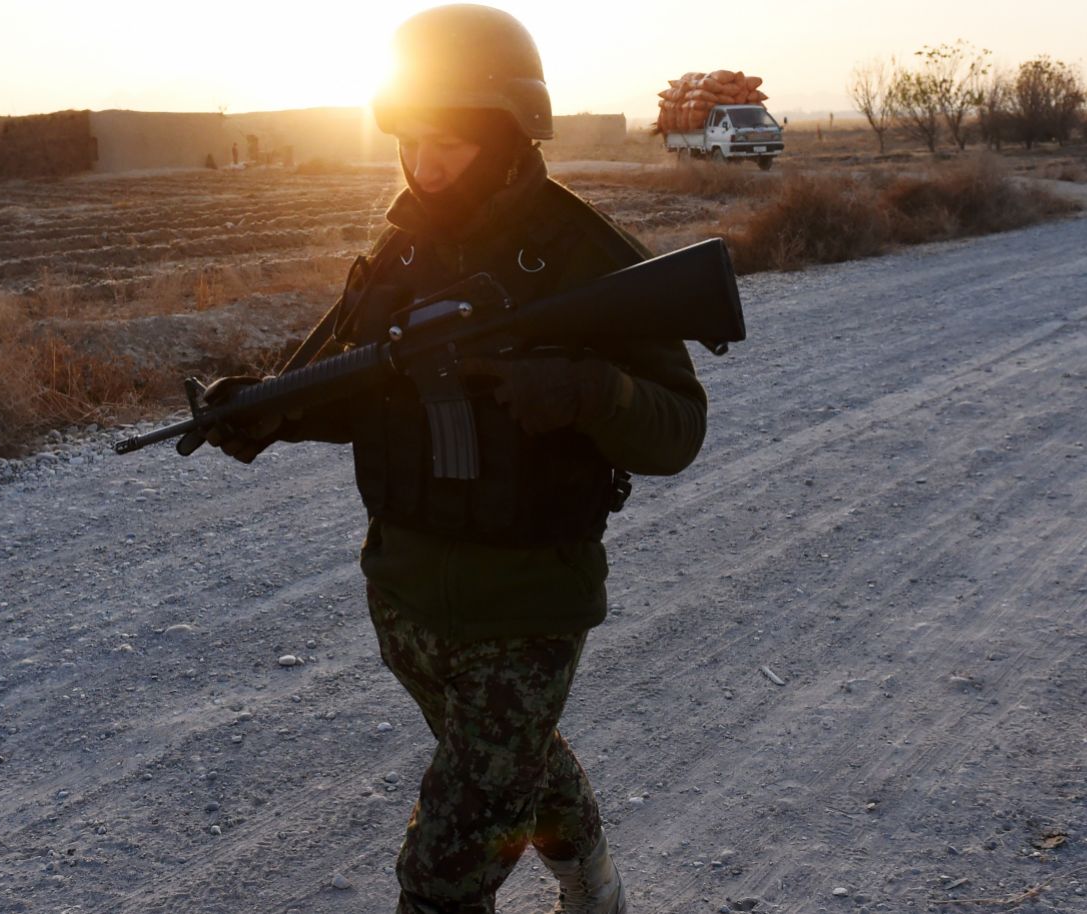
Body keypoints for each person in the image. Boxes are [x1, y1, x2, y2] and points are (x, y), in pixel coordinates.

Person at [203, 6, 708, 912]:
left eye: (451, 143)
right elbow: (362, 398)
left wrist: (591, 393)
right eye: (411, 140)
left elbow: (679, 428)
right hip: (404, 599)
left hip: (526, 607)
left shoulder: (585, 259)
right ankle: (595, 883)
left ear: (508, 133)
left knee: (441, 869)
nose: (425, 165)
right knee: (519, 763)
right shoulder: (401, 248)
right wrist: (271, 413)